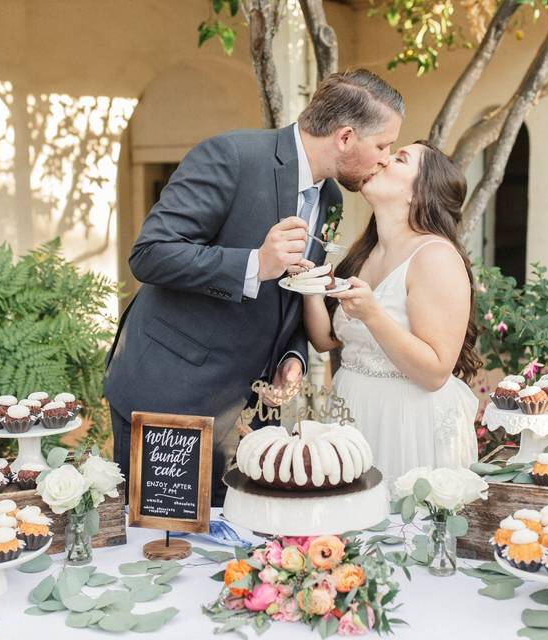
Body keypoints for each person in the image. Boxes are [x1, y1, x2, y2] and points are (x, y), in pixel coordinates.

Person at [104, 69, 405, 506]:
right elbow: (150, 254)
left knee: (240, 551)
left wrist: (291, 354)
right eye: (382, 145)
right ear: (344, 137)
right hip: (172, 393)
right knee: (164, 550)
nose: (385, 158)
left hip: (252, 410)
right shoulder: (232, 156)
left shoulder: (331, 199)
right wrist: (254, 263)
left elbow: (295, 291)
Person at [301, 140, 481, 490]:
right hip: (352, 411)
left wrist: (373, 314)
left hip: (407, 420)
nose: (382, 160)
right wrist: (309, 286)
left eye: (400, 159)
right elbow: (327, 340)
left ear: (420, 192)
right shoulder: (365, 253)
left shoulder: (435, 257)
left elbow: (435, 372)